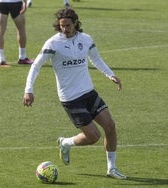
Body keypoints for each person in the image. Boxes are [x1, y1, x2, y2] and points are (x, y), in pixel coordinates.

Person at [23, 8, 126, 179]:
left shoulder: (86, 39)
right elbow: (36, 66)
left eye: (68, 25)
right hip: (71, 98)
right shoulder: (53, 43)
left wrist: (110, 74)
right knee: (93, 137)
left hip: (89, 92)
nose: (64, 28)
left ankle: (112, 168)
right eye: (61, 26)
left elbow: (96, 58)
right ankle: (65, 142)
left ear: (76, 23)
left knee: (110, 126)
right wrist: (28, 90)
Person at [0, 0, 33, 67]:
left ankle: (1, 59)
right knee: (21, 29)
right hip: (15, 2)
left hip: (1, 2)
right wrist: (25, 2)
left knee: (0, 30)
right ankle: (22, 57)